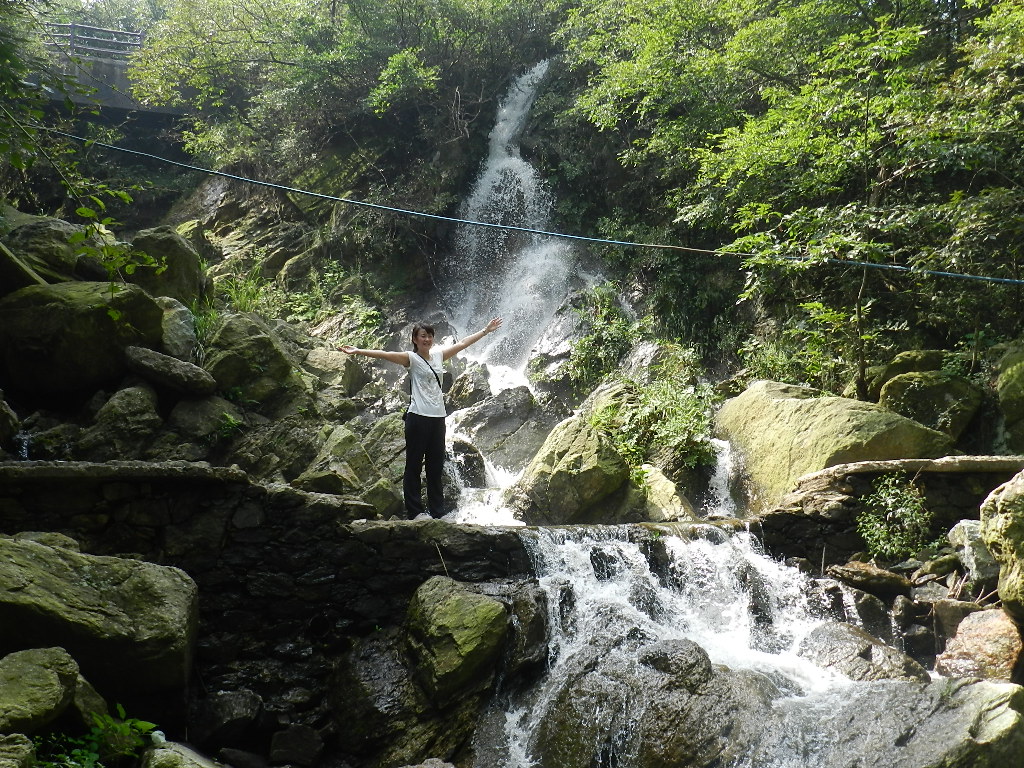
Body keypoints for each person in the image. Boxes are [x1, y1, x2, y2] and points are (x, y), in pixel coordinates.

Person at [340, 317, 502, 519]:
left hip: (438, 418)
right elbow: (385, 354)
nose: (427, 339)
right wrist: (358, 351)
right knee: (414, 465)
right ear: (415, 339)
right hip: (417, 417)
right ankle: (415, 512)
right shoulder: (411, 358)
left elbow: (462, 343)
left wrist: (485, 330)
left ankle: (438, 512)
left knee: (435, 467)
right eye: (423, 336)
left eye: (430, 336)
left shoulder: (439, 356)